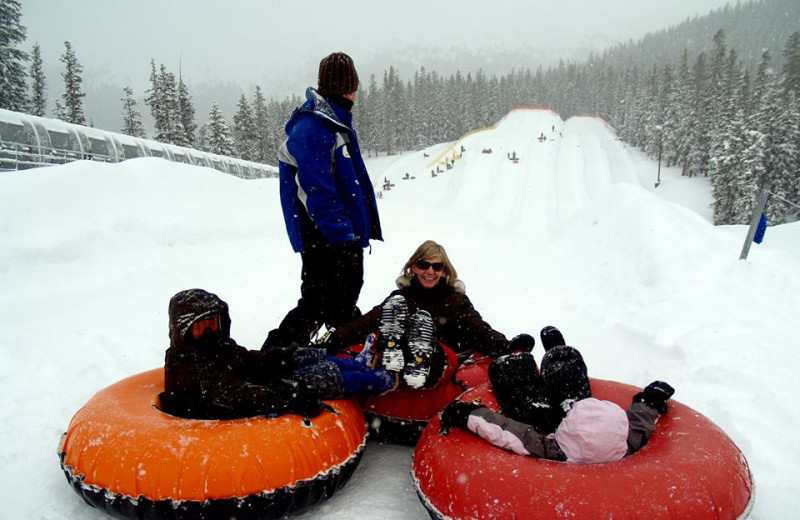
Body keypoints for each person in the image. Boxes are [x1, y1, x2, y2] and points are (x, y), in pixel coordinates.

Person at [266, 51, 382, 350]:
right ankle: (277, 353)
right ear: (348, 86)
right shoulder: (314, 126)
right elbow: (315, 189)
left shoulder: (334, 122)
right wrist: (340, 235)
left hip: (342, 234)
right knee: (318, 301)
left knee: (342, 299)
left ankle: (341, 348)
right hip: (325, 236)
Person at [438, 326, 675, 463]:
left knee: (522, 402)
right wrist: (651, 399)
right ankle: (557, 352)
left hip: (550, 422)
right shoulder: (625, 445)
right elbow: (640, 420)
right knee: (571, 387)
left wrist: (469, 413)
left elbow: (507, 431)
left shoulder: (553, 451)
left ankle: (516, 357)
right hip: (572, 416)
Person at [162, 289, 397, 421]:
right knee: (320, 378)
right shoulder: (189, 369)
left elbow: (241, 358)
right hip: (246, 398)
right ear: (183, 332)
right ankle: (384, 379)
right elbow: (238, 394)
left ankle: (357, 363)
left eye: (214, 324)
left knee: (303, 356)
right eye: (201, 328)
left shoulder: (217, 348)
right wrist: (291, 398)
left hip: (253, 378)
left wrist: (276, 357)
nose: (211, 332)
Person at [326, 240, 530, 388]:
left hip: (437, 363)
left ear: (444, 271)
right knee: (387, 334)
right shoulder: (400, 299)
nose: (430, 271)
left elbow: (479, 330)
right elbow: (368, 322)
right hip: (397, 362)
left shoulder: (455, 301)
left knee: (433, 349)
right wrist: (334, 339)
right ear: (413, 267)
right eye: (424, 265)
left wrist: (507, 347)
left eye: (437, 267)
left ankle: (419, 355)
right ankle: (395, 351)